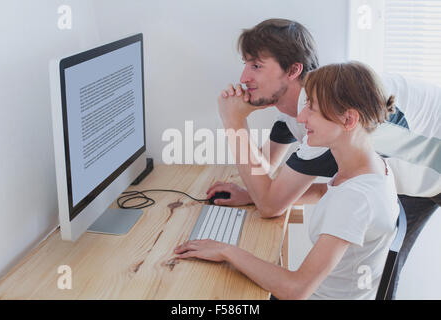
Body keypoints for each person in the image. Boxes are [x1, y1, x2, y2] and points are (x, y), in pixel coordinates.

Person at [204, 19, 441, 299]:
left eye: (256, 65)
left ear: (293, 70)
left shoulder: (330, 114)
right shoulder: (311, 105)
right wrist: (251, 194)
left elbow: (271, 203)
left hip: (428, 166)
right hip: (391, 171)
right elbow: (265, 171)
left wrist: (233, 122)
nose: (244, 77)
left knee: (369, 276)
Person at [175, 62, 400, 299]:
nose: (301, 117)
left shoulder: (356, 199)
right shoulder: (369, 166)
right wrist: (251, 196)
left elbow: (296, 289)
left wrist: (226, 250)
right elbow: (328, 191)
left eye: (311, 108)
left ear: (348, 120)